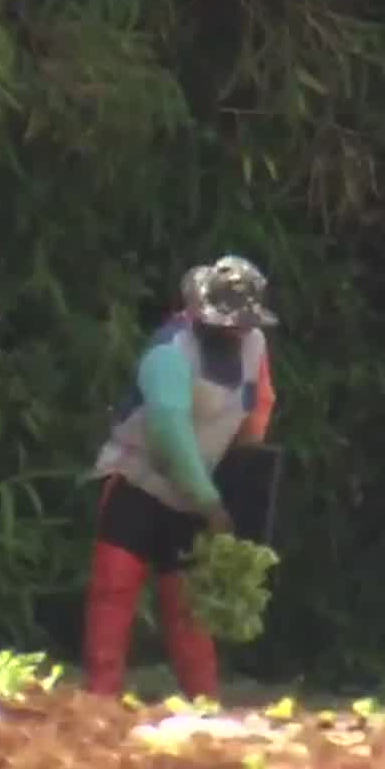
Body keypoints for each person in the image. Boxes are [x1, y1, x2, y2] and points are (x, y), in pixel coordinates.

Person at [82, 256, 279, 700]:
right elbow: (168, 434)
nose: (233, 331)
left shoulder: (255, 347)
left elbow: (258, 402)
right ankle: (98, 705)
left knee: (189, 613)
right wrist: (210, 503)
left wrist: (242, 472)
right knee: (113, 597)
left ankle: (204, 709)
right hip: (139, 484)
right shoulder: (169, 353)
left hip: (195, 499)